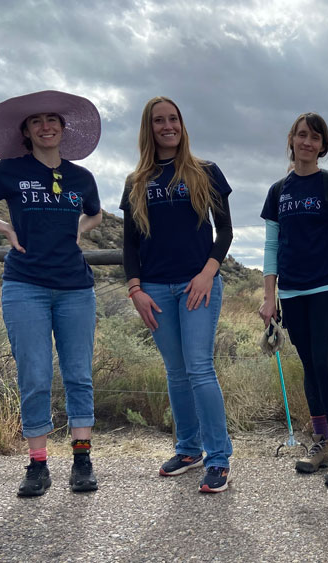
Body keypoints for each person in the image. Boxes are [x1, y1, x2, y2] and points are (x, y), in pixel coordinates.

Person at [0, 90, 103, 496]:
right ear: (26, 132)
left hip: (75, 288)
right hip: (25, 286)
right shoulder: (10, 170)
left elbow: (95, 212)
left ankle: (82, 460)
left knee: (78, 374)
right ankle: (37, 465)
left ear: (63, 129)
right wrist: (4, 228)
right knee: (33, 374)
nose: (46, 126)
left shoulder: (81, 178)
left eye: (53, 119)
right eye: (37, 121)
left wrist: (79, 231)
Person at [120, 96, 234, 493]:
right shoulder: (137, 182)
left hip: (196, 284)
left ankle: (218, 458)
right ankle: (189, 449)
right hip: (154, 289)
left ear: (182, 125)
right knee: (176, 371)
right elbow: (130, 244)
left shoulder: (205, 172)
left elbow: (226, 232)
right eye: (158, 121)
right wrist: (135, 288)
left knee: (200, 368)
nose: (167, 126)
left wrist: (206, 274)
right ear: (148, 128)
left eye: (173, 119)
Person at [259, 113, 328, 486]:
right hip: (291, 293)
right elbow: (271, 247)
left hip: (325, 290)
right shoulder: (277, 192)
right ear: (292, 140)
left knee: (324, 364)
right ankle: (318, 446)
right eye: (302, 135)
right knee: (308, 367)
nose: (308, 142)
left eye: (315, 137)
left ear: (323, 145)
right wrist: (269, 297)